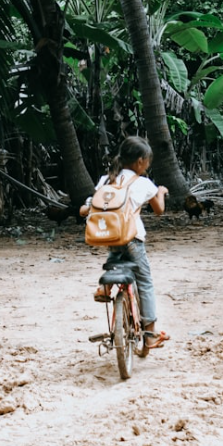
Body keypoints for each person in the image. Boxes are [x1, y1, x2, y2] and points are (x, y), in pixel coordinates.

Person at [80, 136, 171, 350]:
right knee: (145, 281)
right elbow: (159, 210)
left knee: (115, 255)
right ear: (140, 161)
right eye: (147, 161)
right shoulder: (143, 183)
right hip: (132, 238)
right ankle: (150, 334)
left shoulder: (105, 180)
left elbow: (89, 205)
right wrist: (161, 192)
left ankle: (105, 287)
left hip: (109, 236)